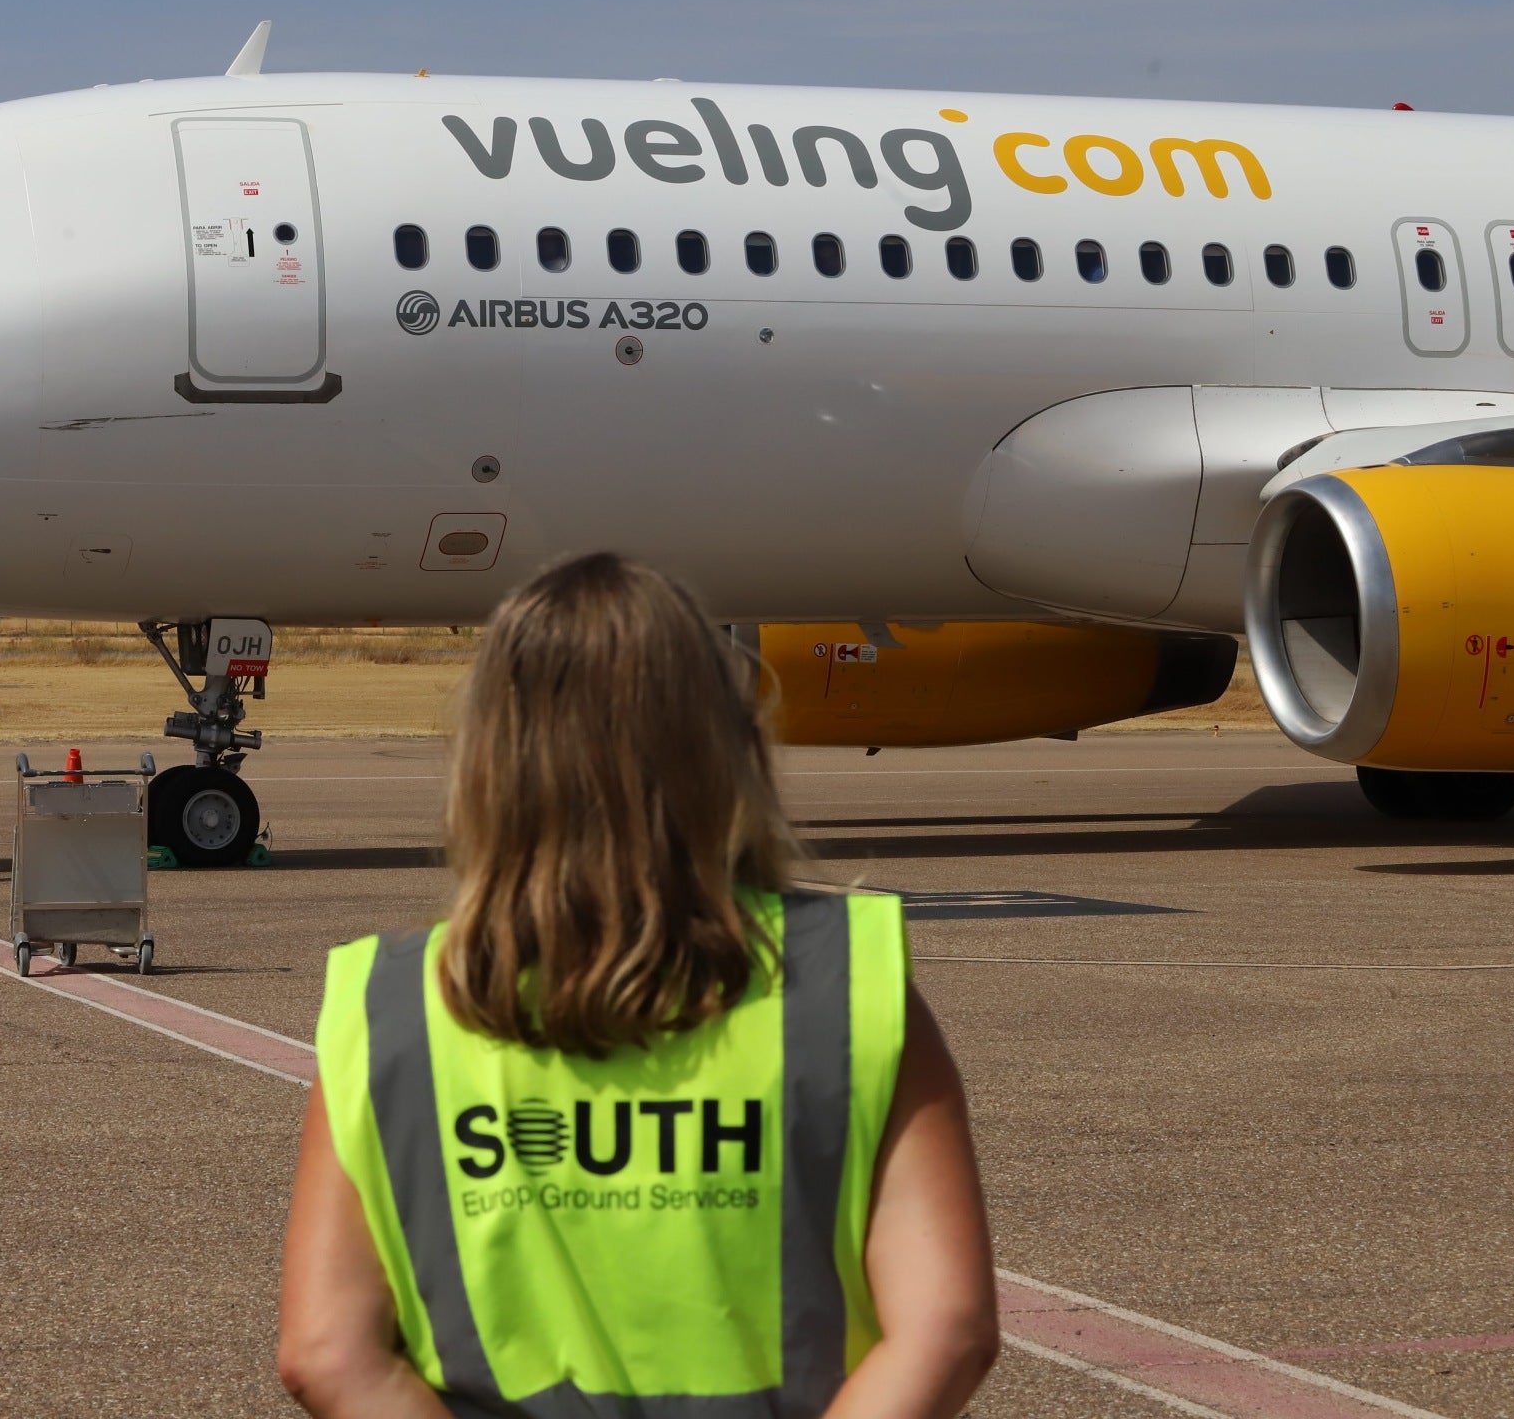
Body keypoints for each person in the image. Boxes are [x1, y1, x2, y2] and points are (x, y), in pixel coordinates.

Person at [278, 554, 999, 1419]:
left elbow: (325, 1352)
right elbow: (947, 1326)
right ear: (727, 742)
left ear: (489, 758)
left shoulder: (389, 1006)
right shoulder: (846, 987)